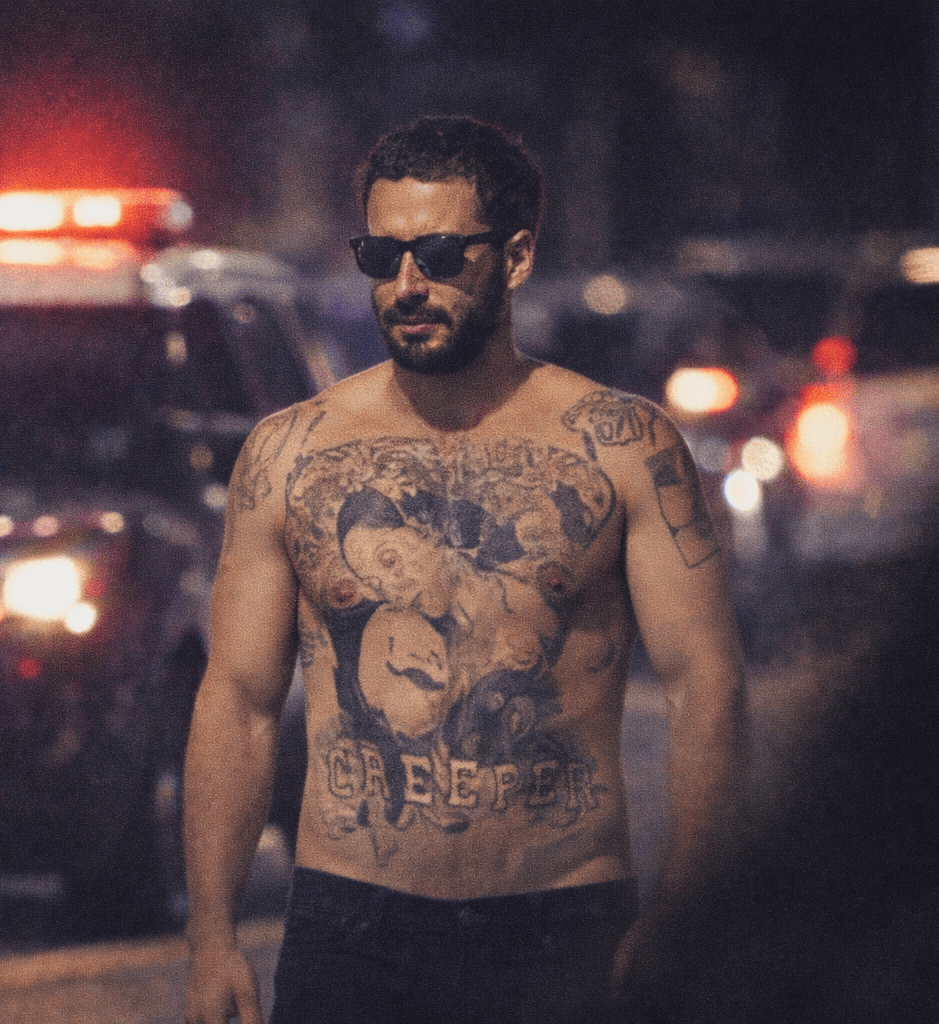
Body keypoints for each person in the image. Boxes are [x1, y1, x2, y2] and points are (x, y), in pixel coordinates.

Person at [182, 115, 747, 1024]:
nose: (407, 286)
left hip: (561, 924)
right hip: (349, 928)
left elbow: (707, 689)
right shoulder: (290, 453)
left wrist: (687, 919)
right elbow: (238, 701)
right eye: (382, 255)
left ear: (515, 259)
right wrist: (212, 938)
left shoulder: (624, 448)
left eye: (442, 254)